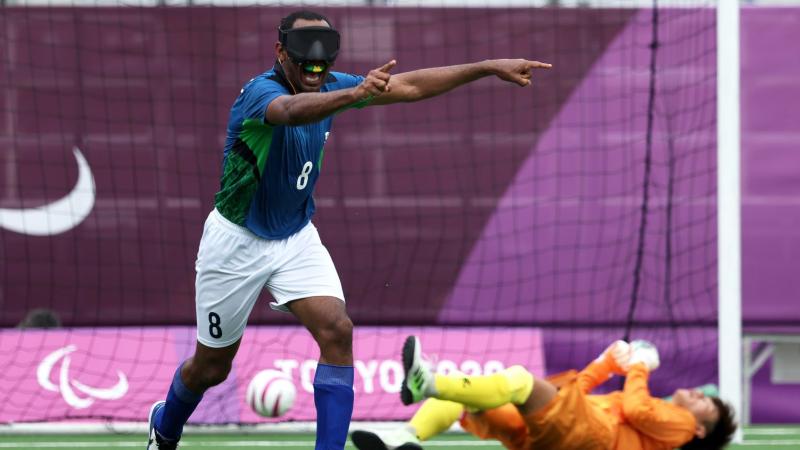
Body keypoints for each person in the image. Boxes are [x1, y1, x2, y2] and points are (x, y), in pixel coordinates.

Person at [146, 9, 552, 450]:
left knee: (337, 331)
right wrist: (356, 93)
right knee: (211, 368)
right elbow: (291, 111)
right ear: (281, 52)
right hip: (237, 241)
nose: (314, 68)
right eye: (303, 57)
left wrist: (488, 67)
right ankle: (165, 428)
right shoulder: (260, 93)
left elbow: (411, 86)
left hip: (295, 236)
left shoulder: (332, 84)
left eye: (322, 58)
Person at [351, 337, 736, 450]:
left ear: (701, 430)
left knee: (519, 380)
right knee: (463, 399)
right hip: (562, 437)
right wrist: (604, 363)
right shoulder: (649, 419)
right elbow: (573, 396)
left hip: (589, 440)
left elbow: (636, 407)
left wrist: (639, 365)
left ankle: (427, 382)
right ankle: (402, 439)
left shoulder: (681, 427)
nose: (695, 394)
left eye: (705, 403)